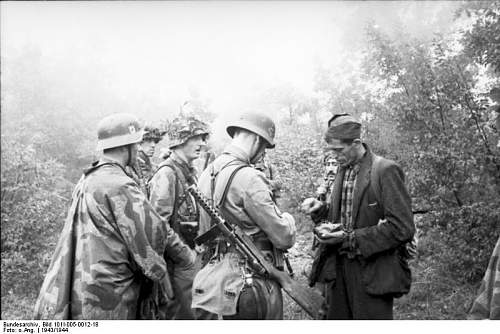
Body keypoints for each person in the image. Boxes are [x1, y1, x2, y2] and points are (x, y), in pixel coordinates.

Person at [33, 113, 195, 320]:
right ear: (125, 146)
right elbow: (154, 232)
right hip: (111, 291)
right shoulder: (119, 184)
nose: (138, 149)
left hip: (84, 280)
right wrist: (187, 258)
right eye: (136, 143)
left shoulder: (87, 178)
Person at [301, 113, 415, 319]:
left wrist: (350, 239)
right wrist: (320, 209)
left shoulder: (385, 170)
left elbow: (402, 228)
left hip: (372, 273)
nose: (334, 156)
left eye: (338, 150)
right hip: (338, 271)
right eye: (331, 150)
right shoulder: (341, 171)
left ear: (356, 143)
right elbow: (346, 215)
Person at [192, 111, 296, 319]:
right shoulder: (249, 178)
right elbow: (284, 238)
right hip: (253, 282)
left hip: (217, 280)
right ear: (257, 139)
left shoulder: (206, 174)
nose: (264, 153)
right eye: (265, 146)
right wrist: (289, 220)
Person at [148, 115, 210, 319]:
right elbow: (158, 225)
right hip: (178, 265)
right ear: (181, 140)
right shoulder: (167, 174)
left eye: (203, 138)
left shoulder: (188, 172)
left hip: (191, 257)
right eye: (197, 138)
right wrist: (186, 257)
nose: (202, 143)